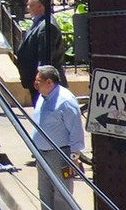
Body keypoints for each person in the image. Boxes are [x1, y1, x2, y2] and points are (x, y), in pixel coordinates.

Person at [29, 64, 85, 208]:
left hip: (60, 155)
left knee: (61, 194)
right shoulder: (42, 97)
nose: (35, 84)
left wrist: (74, 157)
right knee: (44, 191)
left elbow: (76, 131)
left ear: (49, 82)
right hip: (41, 154)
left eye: (38, 81)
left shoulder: (66, 101)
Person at [14, 0, 64, 92]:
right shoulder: (39, 23)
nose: (28, 8)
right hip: (37, 82)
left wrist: (40, 80)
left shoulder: (47, 27)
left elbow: (44, 57)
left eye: (31, 5)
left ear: (41, 6)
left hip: (43, 85)